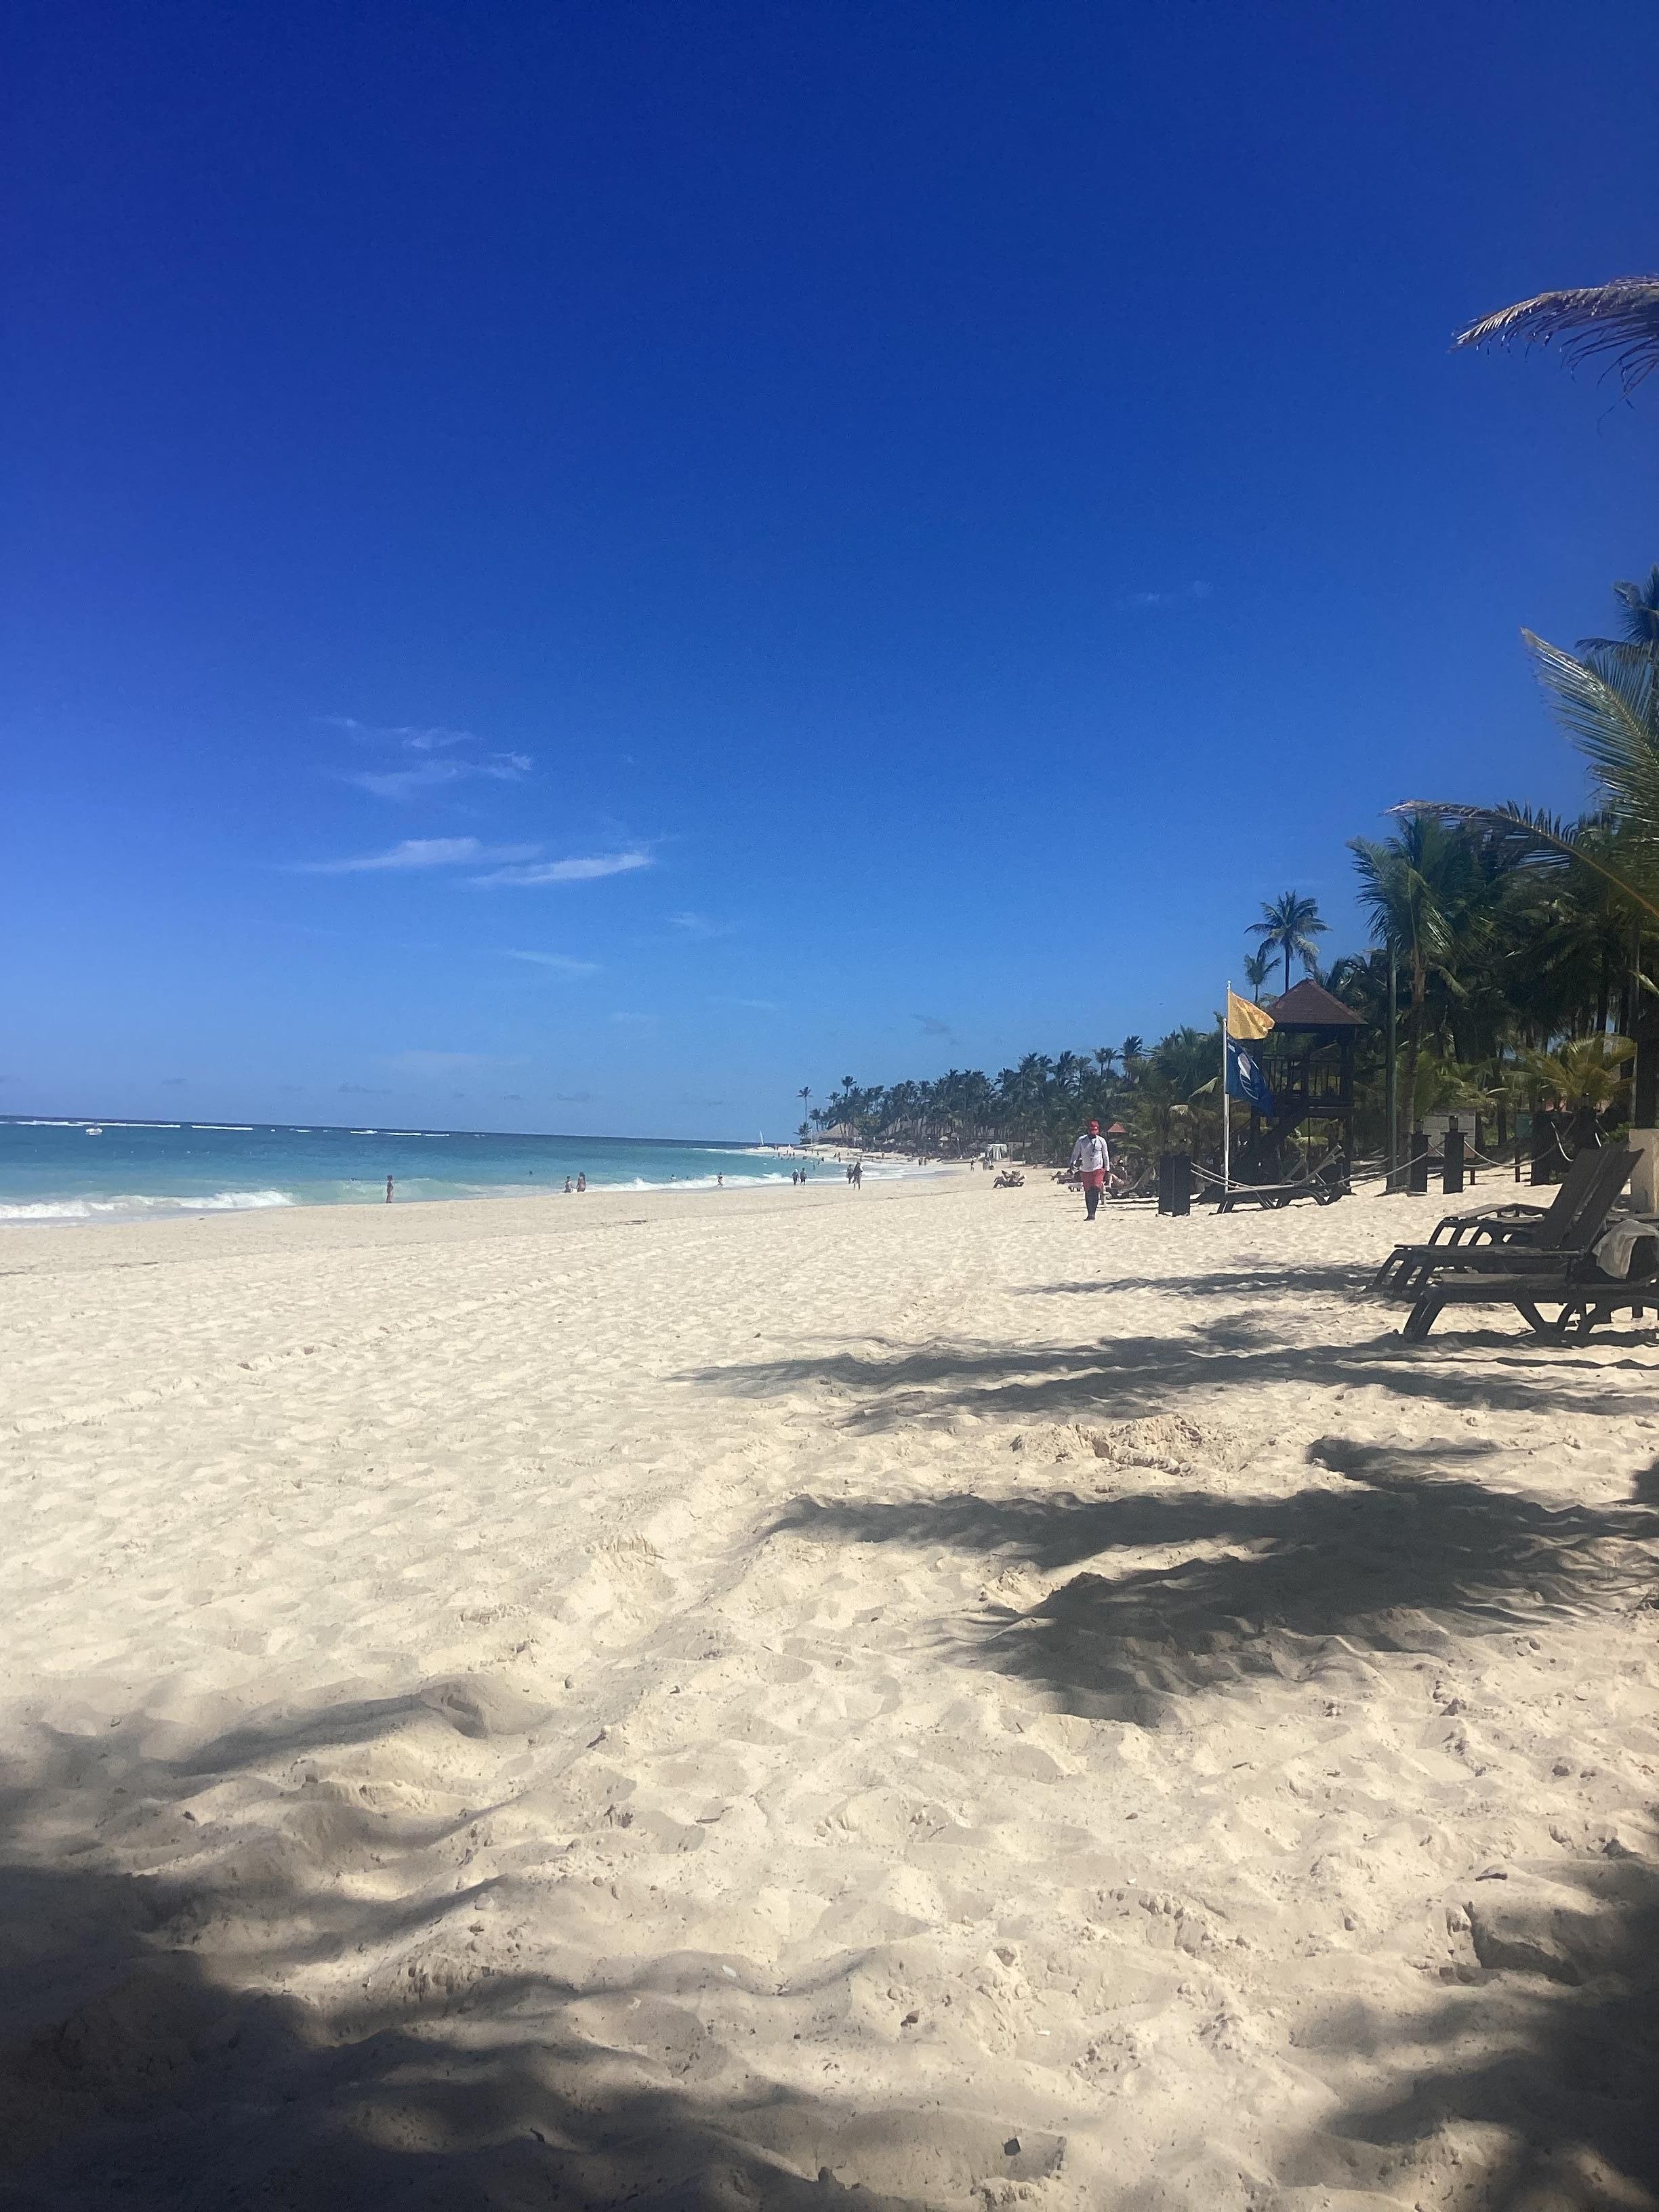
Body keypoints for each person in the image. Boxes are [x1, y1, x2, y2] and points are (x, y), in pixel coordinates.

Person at [1069, 1120, 1111, 1221]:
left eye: (1095, 1130)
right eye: (1092, 1130)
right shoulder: (1081, 1140)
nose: (1094, 1132)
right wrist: (1072, 1163)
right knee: (1088, 1191)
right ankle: (1089, 1213)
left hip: (1098, 1169)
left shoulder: (1102, 1141)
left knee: (1095, 1190)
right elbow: (1075, 1153)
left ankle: (1093, 1213)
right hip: (1086, 1170)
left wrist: (1107, 1170)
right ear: (1088, 1130)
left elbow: (1106, 1156)